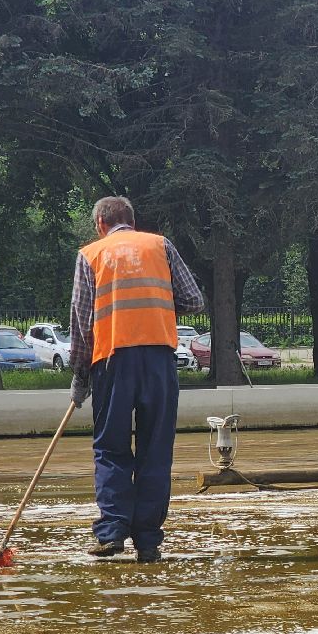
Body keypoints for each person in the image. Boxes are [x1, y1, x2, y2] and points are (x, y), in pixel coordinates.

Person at [69, 195, 204, 563]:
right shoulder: (161, 246)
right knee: (155, 450)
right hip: (159, 360)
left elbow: (81, 320)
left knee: (111, 448)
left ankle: (112, 532)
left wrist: (80, 375)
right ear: (131, 219)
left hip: (113, 360)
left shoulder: (91, 254)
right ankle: (148, 542)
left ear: (100, 223)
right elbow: (194, 301)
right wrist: (157, 301)